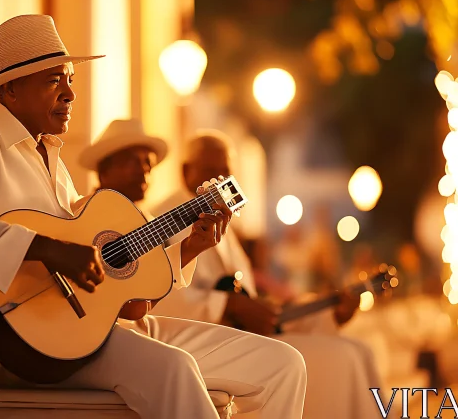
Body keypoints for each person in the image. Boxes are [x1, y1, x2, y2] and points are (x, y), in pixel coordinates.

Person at [0, 15, 306, 419]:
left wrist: (189, 249)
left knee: (281, 365)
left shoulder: (52, 162)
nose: (69, 94)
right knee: (174, 369)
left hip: (88, 329)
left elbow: (108, 271)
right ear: (10, 89)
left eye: (69, 80)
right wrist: (48, 248)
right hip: (9, 343)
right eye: (52, 81)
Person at [149, 130, 386, 419]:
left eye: (227, 173)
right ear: (187, 172)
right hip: (203, 346)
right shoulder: (163, 217)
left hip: (241, 339)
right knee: (342, 357)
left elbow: (251, 300)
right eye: (212, 172)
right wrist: (229, 305)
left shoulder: (224, 224)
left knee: (360, 349)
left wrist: (328, 313)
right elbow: (159, 294)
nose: (221, 181)